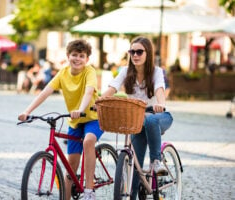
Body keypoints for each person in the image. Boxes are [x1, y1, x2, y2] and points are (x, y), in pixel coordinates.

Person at [18, 39, 103, 200]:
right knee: (71, 165)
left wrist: (80, 109)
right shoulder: (63, 73)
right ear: (68, 56)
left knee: (88, 141)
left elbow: (89, 92)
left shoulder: (89, 71)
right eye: (74, 55)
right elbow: (45, 92)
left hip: (93, 117)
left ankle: (89, 190)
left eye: (81, 56)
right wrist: (27, 111)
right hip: (75, 121)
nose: (77, 59)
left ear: (87, 59)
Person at [101, 36, 173, 199]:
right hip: (137, 122)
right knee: (134, 167)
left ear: (148, 54)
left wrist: (160, 104)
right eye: (132, 51)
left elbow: (160, 90)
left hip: (159, 116)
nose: (135, 55)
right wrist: (100, 102)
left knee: (151, 119)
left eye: (139, 51)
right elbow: (112, 88)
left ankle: (156, 162)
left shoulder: (156, 72)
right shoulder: (126, 72)